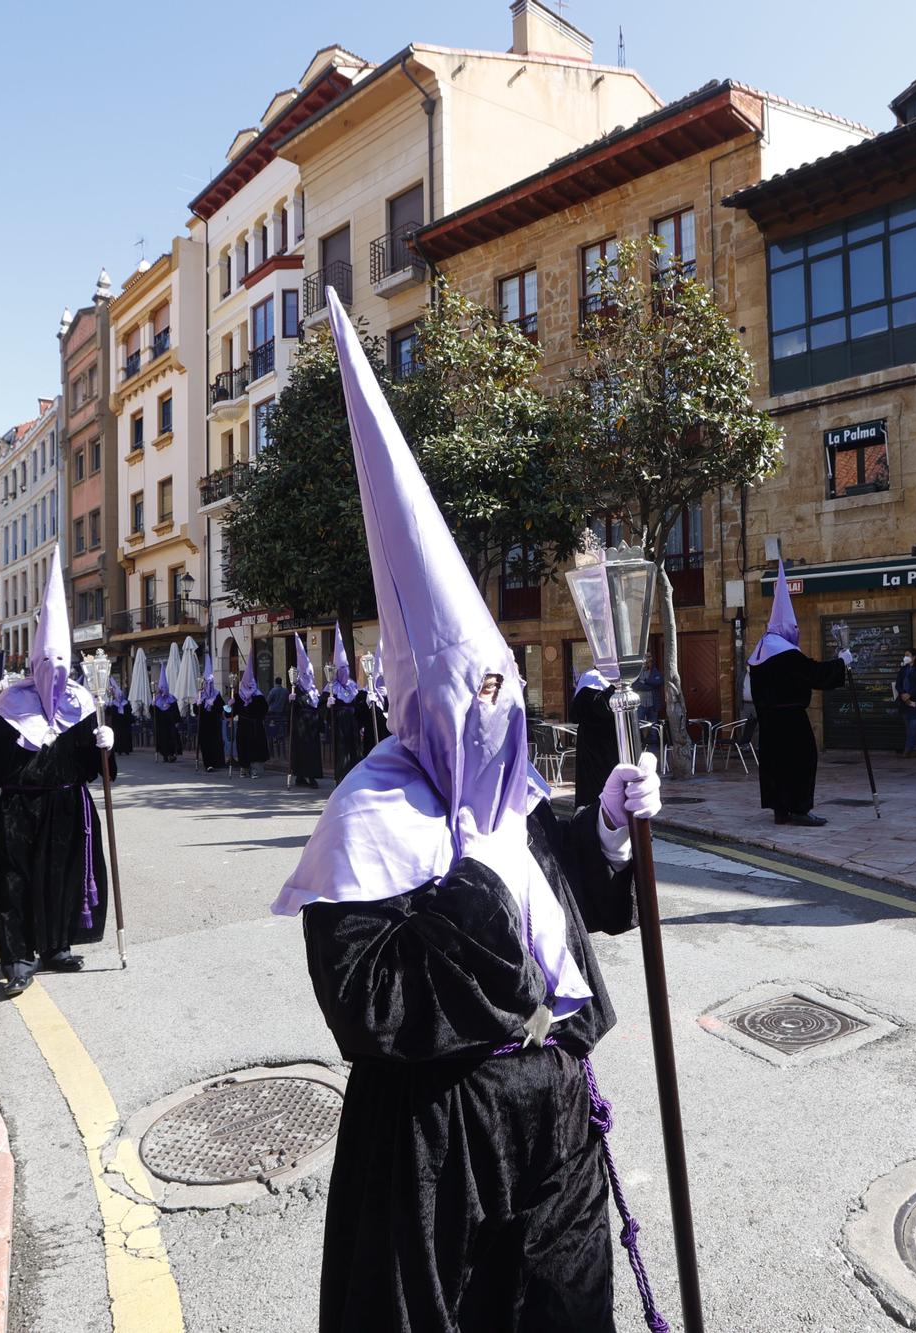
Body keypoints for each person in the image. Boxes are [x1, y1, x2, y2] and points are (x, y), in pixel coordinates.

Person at [275, 292, 665, 1331]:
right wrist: (481, 880)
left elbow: (568, 894)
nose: (494, 722)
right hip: (434, 1138)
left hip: (554, 1103)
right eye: (471, 697)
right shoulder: (367, 817)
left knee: (567, 1300)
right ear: (418, 704)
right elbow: (370, 1006)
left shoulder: (512, 792)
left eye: (503, 687)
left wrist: (608, 828)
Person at [0, 556, 114, 996]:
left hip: (70, 804)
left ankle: (57, 945)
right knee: (17, 883)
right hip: (20, 807)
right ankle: (18, 957)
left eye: (60, 660)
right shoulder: (10, 707)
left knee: (66, 876)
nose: (53, 668)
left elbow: (97, 769)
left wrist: (106, 743)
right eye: (45, 660)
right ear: (35, 661)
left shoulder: (81, 703)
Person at [747, 558, 848, 826]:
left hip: (769, 722)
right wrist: (843, 663)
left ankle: (780, 809)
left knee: (774, 766)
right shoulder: (785, 653)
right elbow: (813, 673)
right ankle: (800, 809)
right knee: (802, 762)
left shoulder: (760, 651)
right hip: (791, 720)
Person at [324, 625, 371, 784]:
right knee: (341, 751)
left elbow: (358, 705)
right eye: (341, 668)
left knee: (354, 750)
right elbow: (321, 709)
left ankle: (354, 777)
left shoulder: (352, 686)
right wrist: (328, 705)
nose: (345, 671)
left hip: (353, 724)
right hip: (339, 725)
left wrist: (364, 707)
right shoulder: (330, 688)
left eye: (347, 668)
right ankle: (340, 777)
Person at [569, 668, 620, 808]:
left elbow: (574, 715)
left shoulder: (585, 685)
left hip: (591, 741)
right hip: (604, 741)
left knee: (591, 783)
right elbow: (605, 711)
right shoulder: (608, 686)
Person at [288, 638, 324, 788]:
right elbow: (290, 710)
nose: (309, 676)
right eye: (306, 674)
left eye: (311, 673)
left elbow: (318, 708)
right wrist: (290, 701)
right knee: (301, 752)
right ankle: (301, 776)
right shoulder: (296, 690)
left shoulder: (315, 691)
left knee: (312, 752)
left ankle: (312, 776)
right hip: (301, 726)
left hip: (312, 727)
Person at [232, 650, 269, 779]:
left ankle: (255, 769)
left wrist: (258, 716)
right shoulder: (238, 697)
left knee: (255, 747)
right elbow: (230, 714)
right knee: (243, 747)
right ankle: (244, 768)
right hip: (243, 726)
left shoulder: (258, 697)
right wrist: (229, 705)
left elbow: (265, 709)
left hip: (255, 726)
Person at [893, 646, 916, 757]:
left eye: (908, 655)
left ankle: (907, 749)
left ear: (914, 657)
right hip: (905, 703)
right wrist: (903, 694)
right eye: (905, 655)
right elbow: (898, 683)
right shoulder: (904, 669)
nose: (905, 657)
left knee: (914, 726)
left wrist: (910, 694)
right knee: (908, 727)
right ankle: (913, 749)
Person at [196, 672, 227, 771]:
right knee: (205, 744)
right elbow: (196, 712)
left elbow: (222, 708)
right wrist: (198, 704)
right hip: (203, 724)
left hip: (214, 724)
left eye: (210, 684)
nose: (208, 686)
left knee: (215, 743)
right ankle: (208, 764)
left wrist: (214, 705)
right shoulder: (200, 695)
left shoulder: (216, 694)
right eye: (206, 684)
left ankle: (216, 762)